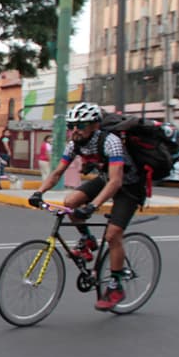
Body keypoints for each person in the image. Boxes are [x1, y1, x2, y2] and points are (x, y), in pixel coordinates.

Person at [27, 102, 146, 311]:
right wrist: (39, 192)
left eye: (80, 125)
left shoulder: (111, 142)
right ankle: (87, 240)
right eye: (72, 125)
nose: (75, 130)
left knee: (113, 234)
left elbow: (116, 181)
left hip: (128, 185)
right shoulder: (74, 144)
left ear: (94, 125)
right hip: (105, 178)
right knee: (70, 203)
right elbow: (57, 173)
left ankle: (115, 285)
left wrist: (93, 206)